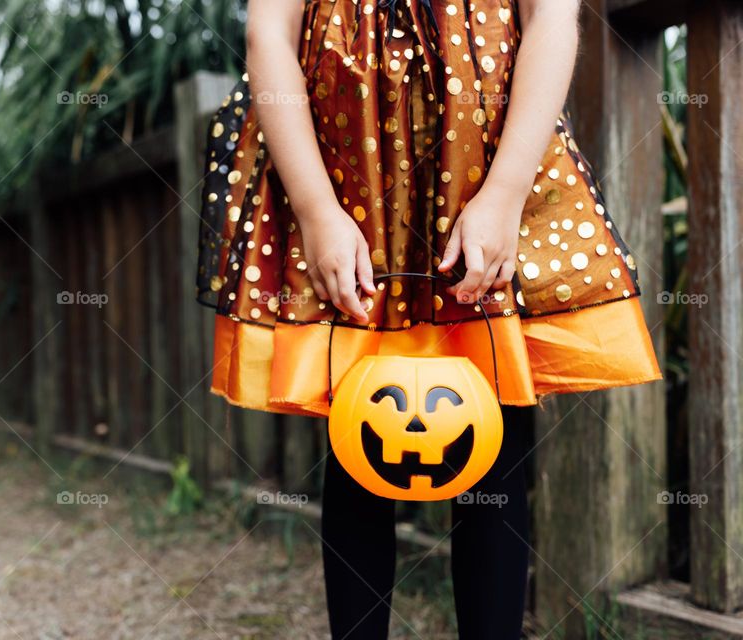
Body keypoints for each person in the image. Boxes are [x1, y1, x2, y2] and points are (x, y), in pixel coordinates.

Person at [196, 1, 661, 638]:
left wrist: (503, 195)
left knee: (491, 434)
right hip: (348, 189)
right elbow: (269, 32)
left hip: (483, 172)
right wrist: (315, 210)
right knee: (359, 433)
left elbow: (552, 19)